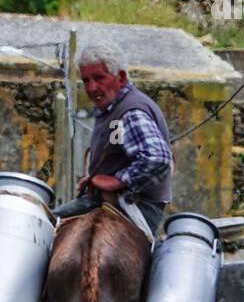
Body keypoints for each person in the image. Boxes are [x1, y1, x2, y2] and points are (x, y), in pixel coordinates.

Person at [52, 44, 172, 235]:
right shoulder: (114, 108)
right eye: (86, 80)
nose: (92, 88)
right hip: (109, 200)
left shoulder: (130, 112)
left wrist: (118, 181)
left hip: (134, 206)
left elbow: (158, 158)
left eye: (99, 78)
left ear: (121, 78)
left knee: (43, 225)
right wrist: (95, 178)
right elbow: (119, 148)